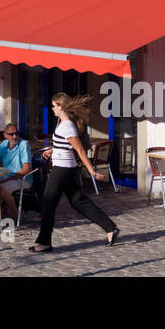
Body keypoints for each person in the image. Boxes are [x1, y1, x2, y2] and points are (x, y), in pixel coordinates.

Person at [30, 94, 119, 253]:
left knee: (48, 203)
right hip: (66, 168)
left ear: (61, 107)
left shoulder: (67, 126)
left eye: (54, 106)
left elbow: (80, 150)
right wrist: (53, 149)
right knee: (78, 201)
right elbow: (66, 144)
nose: (52, 109)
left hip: (62, 170)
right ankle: (110, 228)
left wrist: (92, 171)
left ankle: (44, 243)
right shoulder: (64, 125)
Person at [0, 122, 33, 219]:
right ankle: (3, 209)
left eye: (16, 133)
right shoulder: (3, 145)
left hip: (23, 179)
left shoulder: (23, 145)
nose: (14, 136)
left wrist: (8, 178)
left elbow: (26, 169)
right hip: (8, 177)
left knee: (0, 188)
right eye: (11, 134)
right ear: (5, 135)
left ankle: (15, 213)